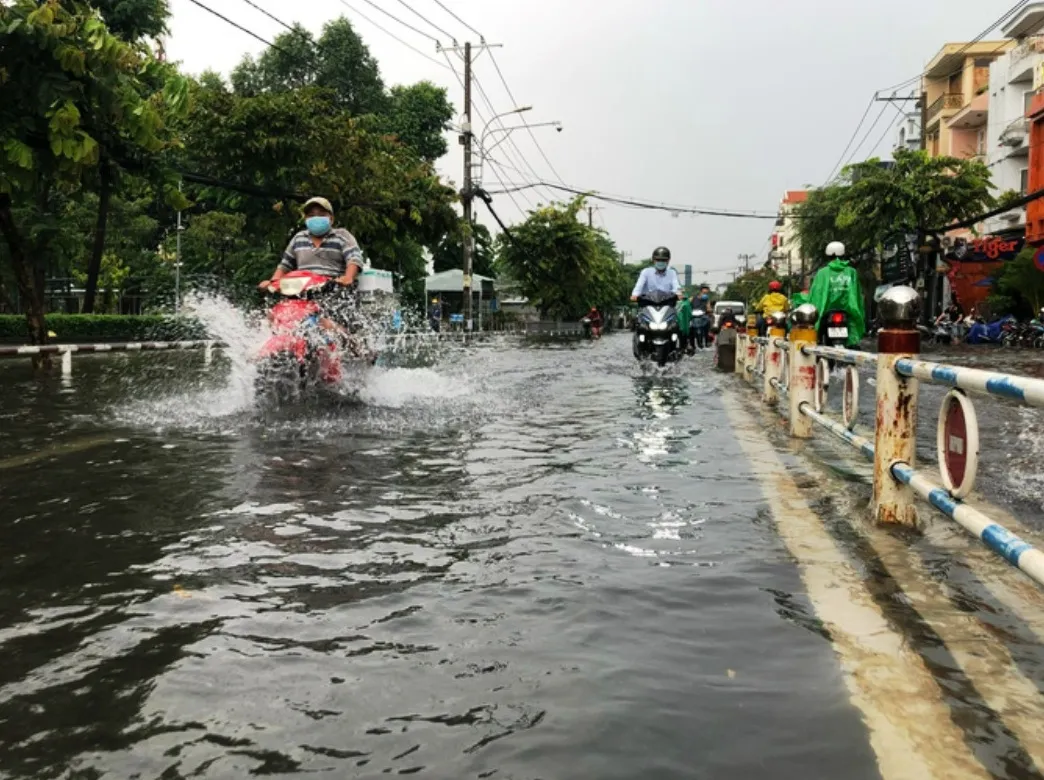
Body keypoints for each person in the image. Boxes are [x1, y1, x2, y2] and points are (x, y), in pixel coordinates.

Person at [808, 241, 865, 347]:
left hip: (826, 312)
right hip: (848, 311)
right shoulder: (851, 271)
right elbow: (857, 294)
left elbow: (815, 295)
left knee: (818, 334)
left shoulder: (822, 272)